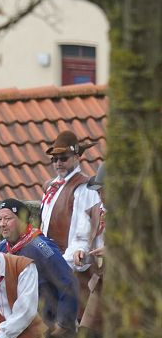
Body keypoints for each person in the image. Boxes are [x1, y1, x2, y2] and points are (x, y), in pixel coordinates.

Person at [0, 198, 78, 338]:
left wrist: (64, 322)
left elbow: (68, 281)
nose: (2, 224)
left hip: (40, 324)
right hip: (12, 325)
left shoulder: (41, 247)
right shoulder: (2, 247)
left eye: (8, 219)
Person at [38, 131, 102, 314]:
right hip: (49, 263)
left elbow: (84, 232)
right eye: (54, 159)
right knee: (46, 320)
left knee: (83, 324)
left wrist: (62, 264)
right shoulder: (50, 186)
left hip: (71, 266)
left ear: (76, 157)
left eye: (63, 158)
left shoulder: (84, 188)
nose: (58, 163)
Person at [69, 163, 108, 338]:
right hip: (104, 280)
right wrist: (80, 251)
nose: (100, 194)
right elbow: (83, 236)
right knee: (88, 332)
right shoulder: (98, 210)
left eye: (104, 190)